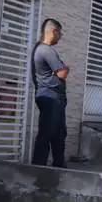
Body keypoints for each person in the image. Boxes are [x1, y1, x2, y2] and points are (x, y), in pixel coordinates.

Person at [31, 18, 69, 168]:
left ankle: (59, 166)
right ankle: (38, 168)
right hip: (50, 97)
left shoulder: (39, 49)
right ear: (54, 31)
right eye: (60, 33)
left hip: (50, 97)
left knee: (58, 133)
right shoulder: (46, 50)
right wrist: (65, 67)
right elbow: (62, 73)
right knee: (47, 133)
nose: (60, 37)